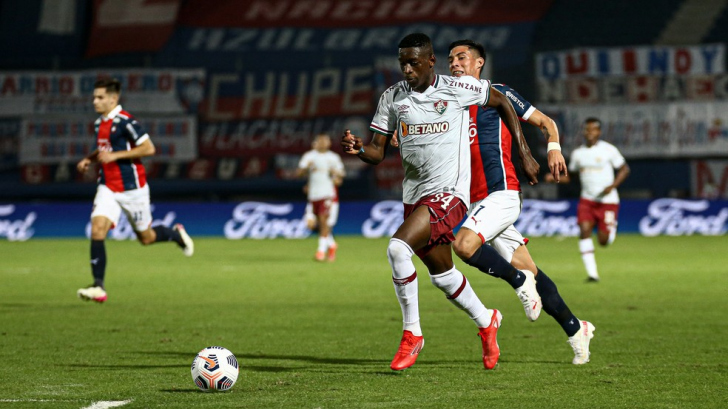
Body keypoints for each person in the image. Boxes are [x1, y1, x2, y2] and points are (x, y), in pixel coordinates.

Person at [342, 33, 539, 371]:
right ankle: (487, 319)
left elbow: (502, 102)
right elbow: (378, 150)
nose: (407, 69)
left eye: (414, 62)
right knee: (442, 274)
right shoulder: (392, 97)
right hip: (415, 195)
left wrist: (524, 151)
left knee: (397, 249)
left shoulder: (458, 88)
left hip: (450, 194)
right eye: (402, 62)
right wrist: (360, 149)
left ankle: (412, 334)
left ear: (430, 61)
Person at [440, 39, 596, 364]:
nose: (454, 62)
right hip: (474, 203)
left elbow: (547, 123)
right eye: (451, 58)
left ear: (479, 63)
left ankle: (517, 281)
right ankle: (575, 327)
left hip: (502, 192)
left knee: (464, 246)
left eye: (462, 57)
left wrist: (552, 148)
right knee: (532, 270)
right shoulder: (446, 103)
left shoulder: (497, 93)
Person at [75, 78, 194, 303]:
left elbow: (149, 148)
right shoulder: (100, 123)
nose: (95, 101)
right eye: (94, 97)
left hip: (133, 189)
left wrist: (116, 156)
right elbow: (103, 149)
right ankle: (98, 287)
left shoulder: (126, 122)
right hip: (107, 186)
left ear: (113, 99)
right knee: (98, 228)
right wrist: (89, 159)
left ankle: (175, 235)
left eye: (100, 97)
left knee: (146, 238)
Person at [545, 117, 630, 283]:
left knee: (603, 241)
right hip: (587, 200)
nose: (589, 133)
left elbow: (624, 169)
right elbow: (572, 177)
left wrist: (612, 186)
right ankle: (592, 274)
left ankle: (611, 227)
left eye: (592, 129)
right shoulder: (578, 154)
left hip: (608, 201)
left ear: (599, 131)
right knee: (584, 231)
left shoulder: (608, 150)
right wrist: (554, 177)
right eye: (586, 129)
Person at [297, 133, 345, 261]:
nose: (323, 143)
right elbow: (298, 173)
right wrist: (306, 168)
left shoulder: (333, 158)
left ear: (329, 143)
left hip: (327, 195)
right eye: (320, 141)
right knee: (312, 224)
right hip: (313, 196)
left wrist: (335, 175)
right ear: (316, 142)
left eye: (325, 141)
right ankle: (332, 244)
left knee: (324, 222)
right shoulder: (309, 156)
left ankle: (320, 251)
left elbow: (340, 178)